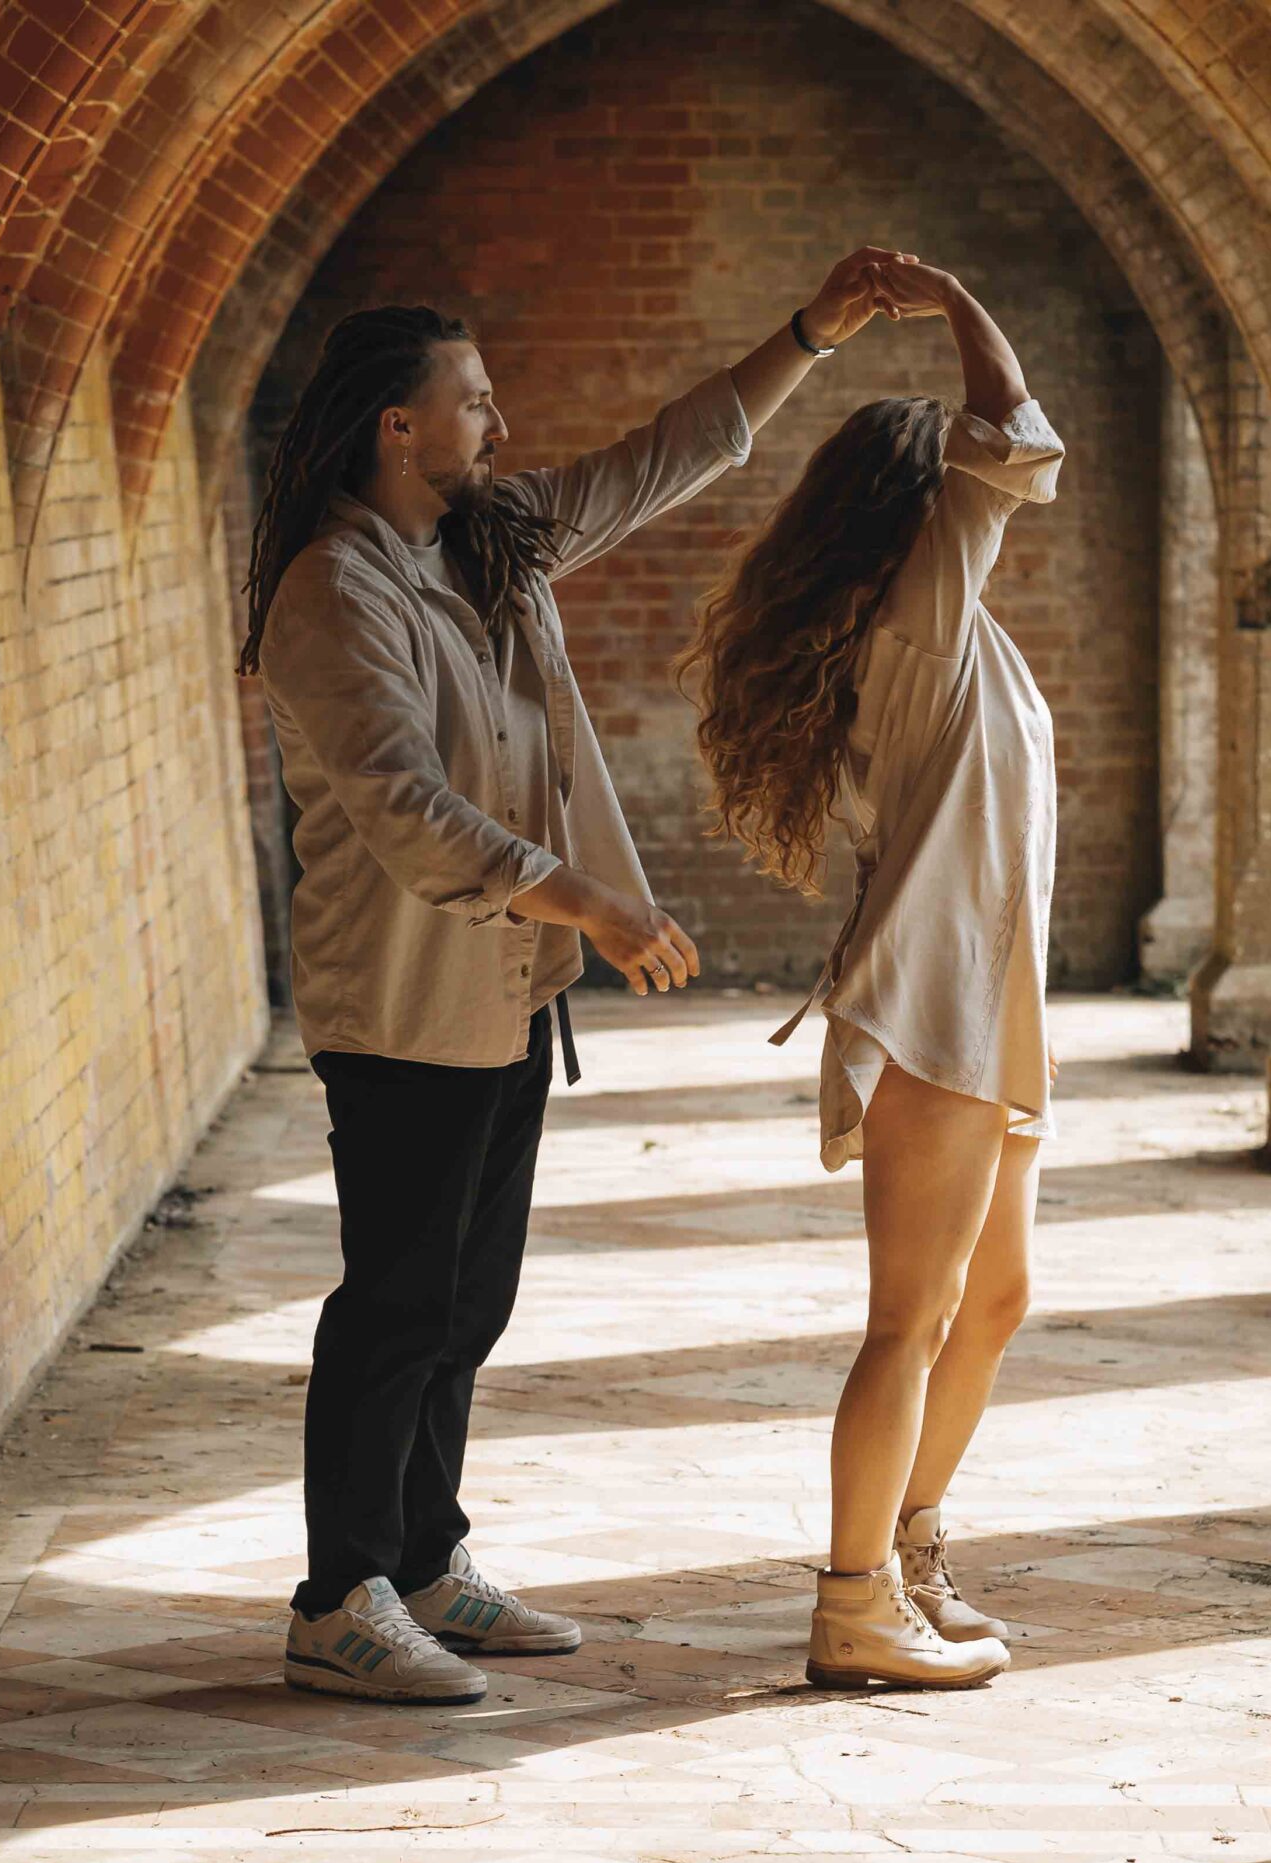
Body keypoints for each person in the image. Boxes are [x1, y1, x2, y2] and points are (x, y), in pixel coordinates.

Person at [240, 251, 900, 1704]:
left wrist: (806, 332)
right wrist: (591, 895)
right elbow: (409, 806)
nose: (502, 423)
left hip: (507, 994)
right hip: (403, 1004)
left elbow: (662, 458)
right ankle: (336, 1598)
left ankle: (422, 1562)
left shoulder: (494, 538)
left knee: (468, 1304)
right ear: (396, 430)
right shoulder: (332, 591)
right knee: (397, 1304)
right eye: (473, 402)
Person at [677, 256, 1063, 1689]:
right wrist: (963, 299)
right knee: (908, 1318)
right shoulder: (922, 618)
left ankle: (908, 1553)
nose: (997, 510)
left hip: (991, 1006)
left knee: (996, 1297)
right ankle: (853, 1604)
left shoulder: (942, 635)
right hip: (930, 1009)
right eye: (961, 495)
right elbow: (1018, 434)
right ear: (924, 509)